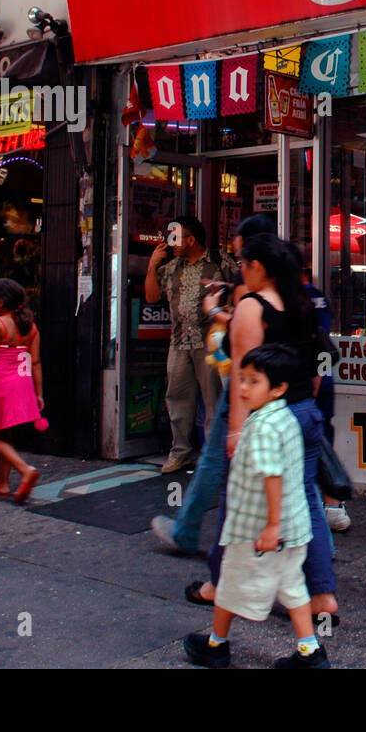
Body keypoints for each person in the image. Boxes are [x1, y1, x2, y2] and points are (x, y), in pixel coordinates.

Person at [186, 235, 339, 626]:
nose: (240, 270)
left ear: (257, 266)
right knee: (306, 500)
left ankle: (221, 587)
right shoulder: (302, 302)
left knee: (235, 498)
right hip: (304, 411)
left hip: (270, 416)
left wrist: (236, 432)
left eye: (243, 262)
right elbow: (318, 362)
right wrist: (310, 403)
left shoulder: (253, 307)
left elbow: (243, 375)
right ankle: (321, 596)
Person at [182, 344, 329, 669]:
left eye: (253, 381)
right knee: (293, 588)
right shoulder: (285, 418)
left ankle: (216, 645)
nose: (243, 388)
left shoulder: (261, 427)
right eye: (242, 379)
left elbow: (272, 474)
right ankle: (310, 651)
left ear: (278, 388)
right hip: (294, 527)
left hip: (256, 529)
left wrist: (271, 525)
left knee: (230, 583)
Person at [151, 214, 273, 553]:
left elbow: (246, 324)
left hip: (247, 380)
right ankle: (313, 555)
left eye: (237, 238)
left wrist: (215, 311)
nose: (233, 243)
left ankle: (194, 537)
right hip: (268, 383)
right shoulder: (280, 275)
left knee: (217, 459)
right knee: (287, 467)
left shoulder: (247, 272)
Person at [144, 216, 225, 474]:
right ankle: (180, 453)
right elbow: (151, 296)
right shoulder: (171, 267)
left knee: (213, 400)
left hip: (210, 343)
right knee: (177, 398)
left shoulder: (218, 263)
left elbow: (238, 289)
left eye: (176, 238)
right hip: (179, 342)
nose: (172, 244)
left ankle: (213, 457)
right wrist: (151, 266)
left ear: (192, 239)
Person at [0, 280, 44, 503]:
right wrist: (39, 393)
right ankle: (2, 484)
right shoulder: (31, 327)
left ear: (0, 302)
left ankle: (25, 469)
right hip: (23, 382)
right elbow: (35, 362)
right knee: (5, 433)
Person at [305, 266, 349, 533]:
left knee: (315, 447)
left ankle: (330, 506)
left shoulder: (300, 297)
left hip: (313, 385)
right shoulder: (316, 297)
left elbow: (319, 343)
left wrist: (314, 384)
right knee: (321, 443)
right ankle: (331, 506)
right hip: (321, 383)